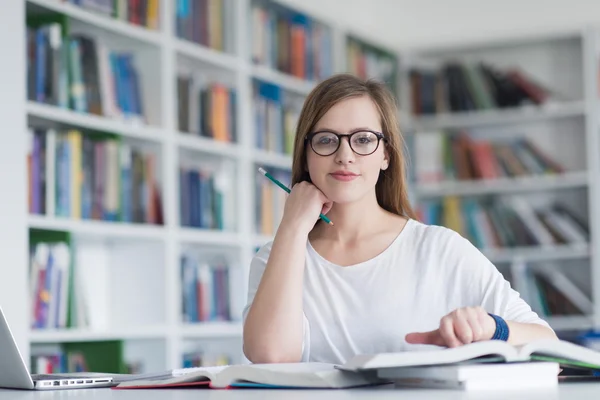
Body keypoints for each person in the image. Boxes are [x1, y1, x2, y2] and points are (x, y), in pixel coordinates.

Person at [242, 73, 558, 365]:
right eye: (326, 139)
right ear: (306, 154)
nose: (345, 155)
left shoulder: (438, 249)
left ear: (386, 155)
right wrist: (293, 227)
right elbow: (272, 356)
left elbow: (550, 348)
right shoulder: (277, 256)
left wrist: (493, 328)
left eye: (363, 139)